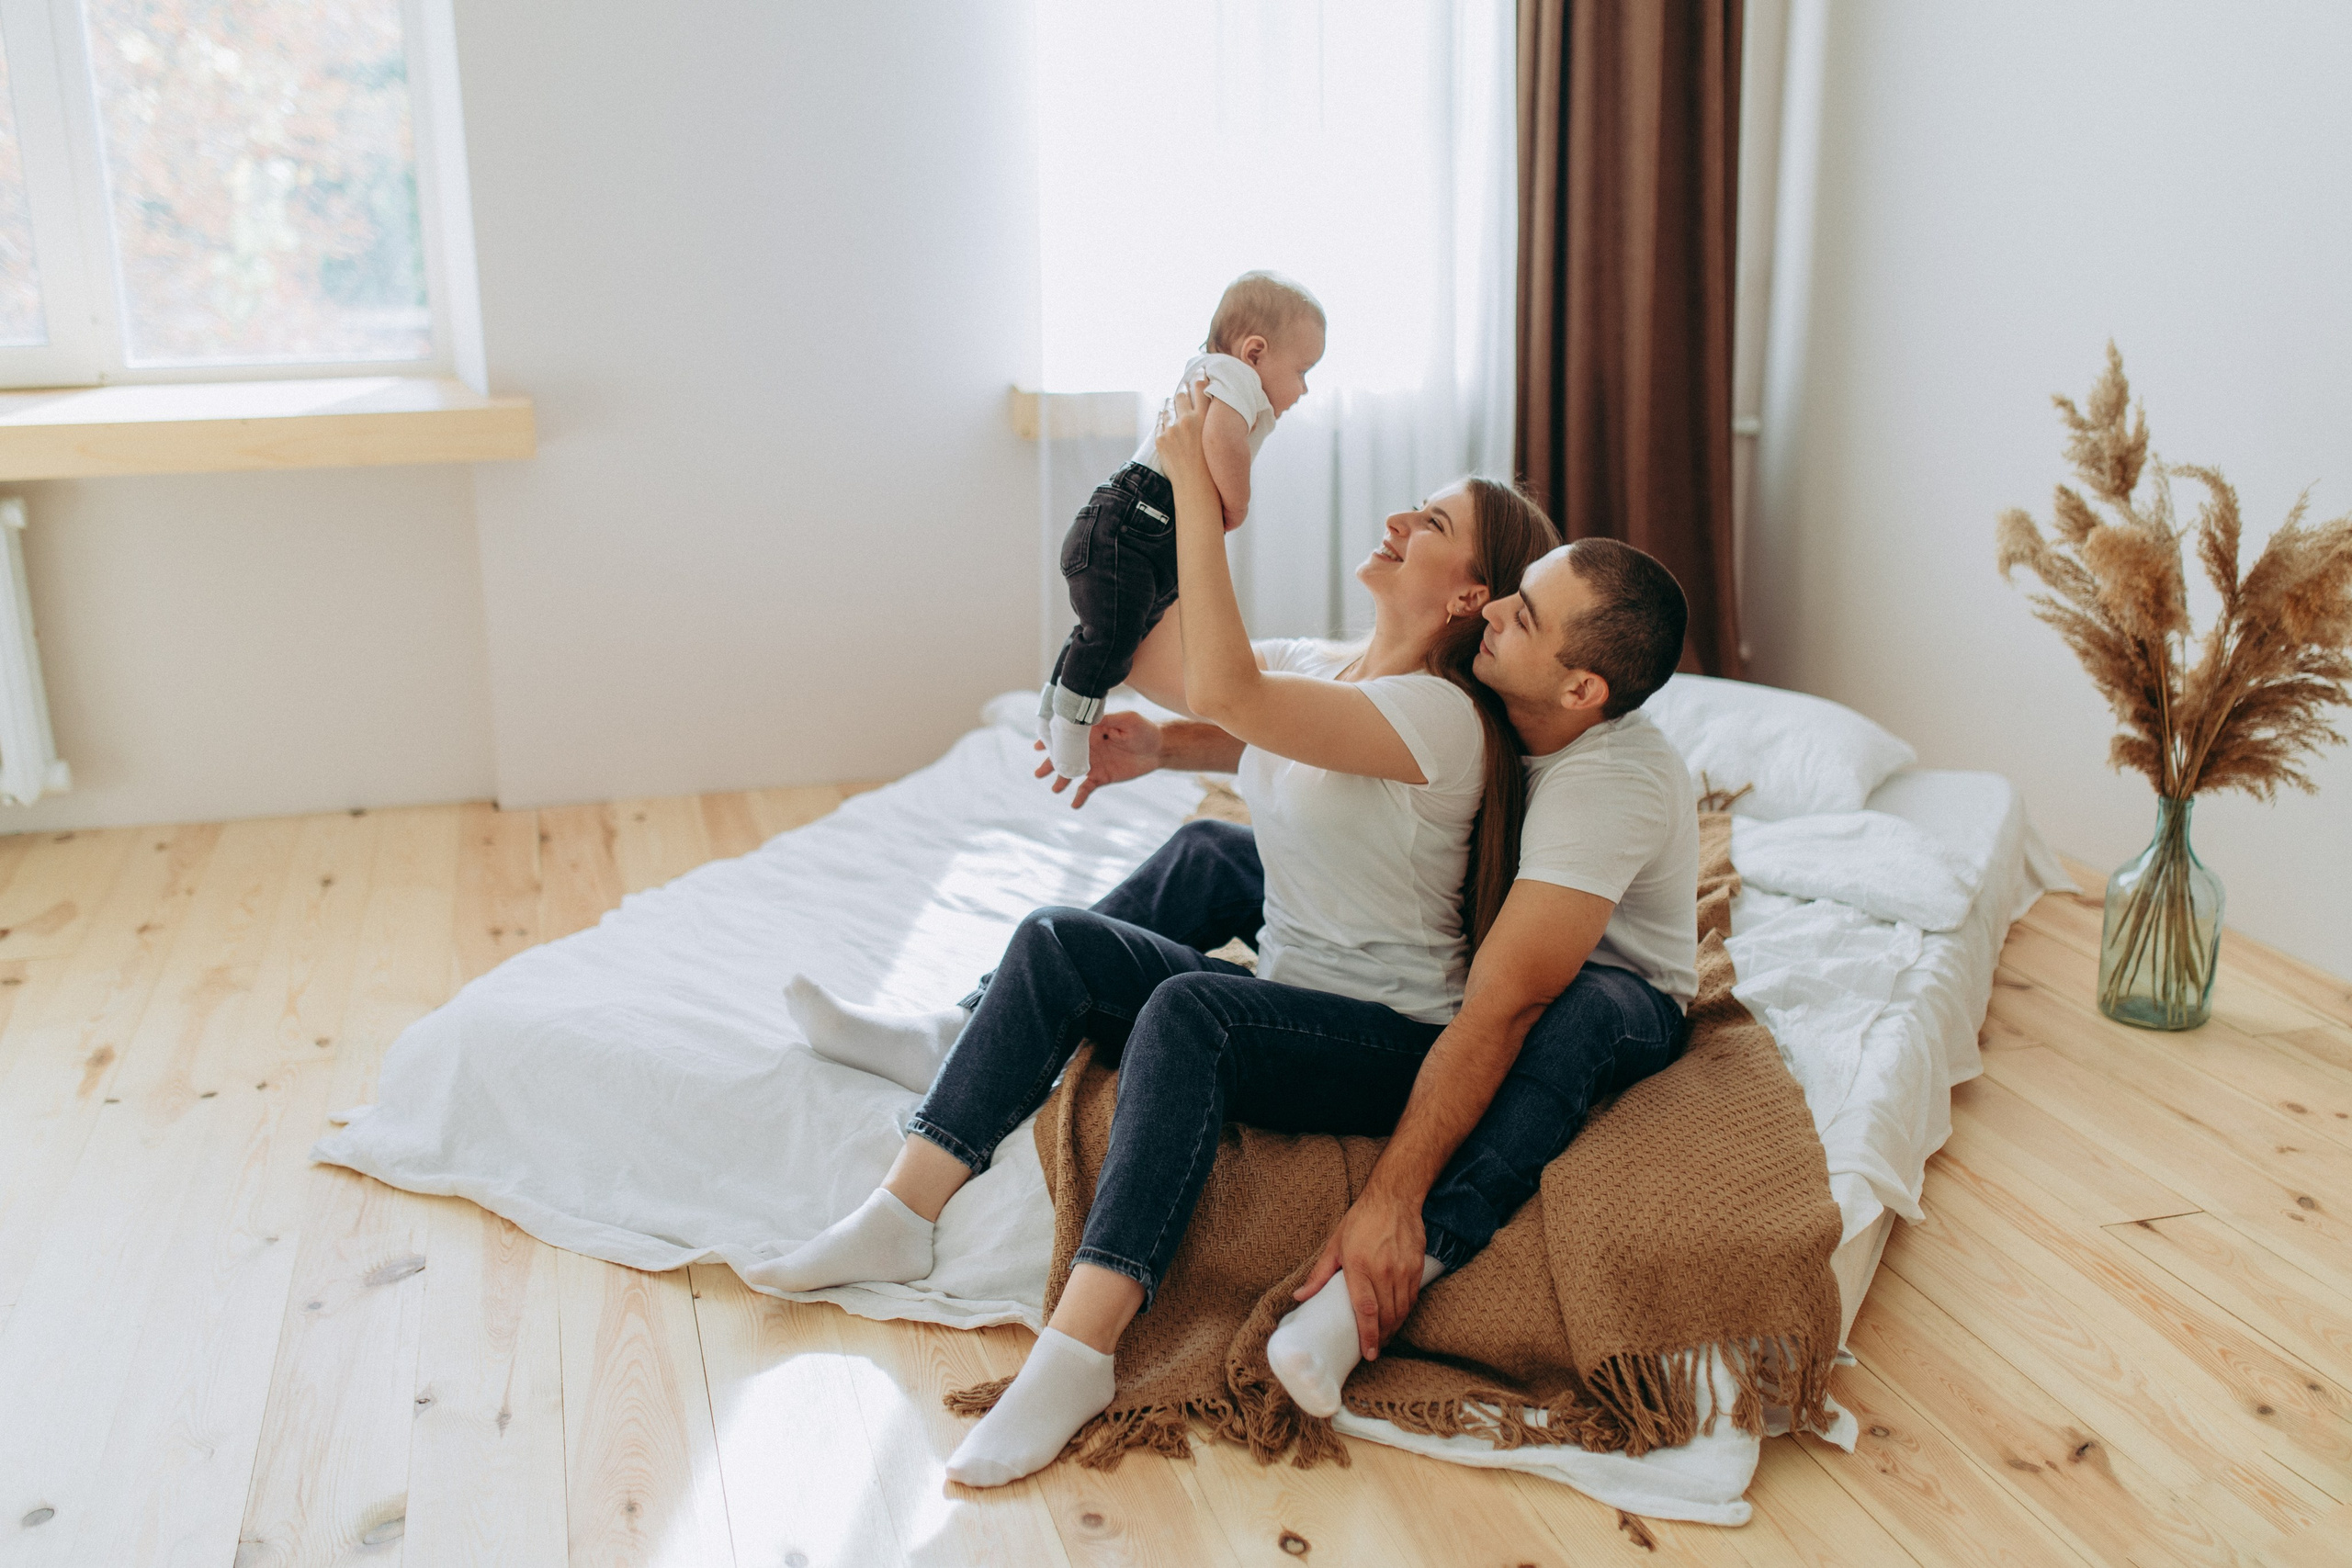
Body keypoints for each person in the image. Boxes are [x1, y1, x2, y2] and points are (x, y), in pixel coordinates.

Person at [762, 376, 1557, 1486]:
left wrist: (1195, 486)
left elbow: (1233, 688)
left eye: (1428, 522)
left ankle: (1079, 1351)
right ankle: (904, 1206)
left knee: (1191, 1009)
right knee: (1056, 937)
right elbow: (1168, 662)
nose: (1396, 520)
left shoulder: (1441, 715)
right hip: (1295, 984)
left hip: (1386, 1040)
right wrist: (1165, 725)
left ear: (1471, 593)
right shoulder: (1339, 667)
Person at [1038, 272, 1325, 779]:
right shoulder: (1234, 375)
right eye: (1302, 370)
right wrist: (1237, 503)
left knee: (1107, 631)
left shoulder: (1215, 375)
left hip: (1139, 523)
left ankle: (1053, 707)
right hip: (1137, 519)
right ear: (1255, 352)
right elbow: (1221, 440)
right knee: (1110, 640)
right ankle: (1072, 729)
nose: (1305, 388)